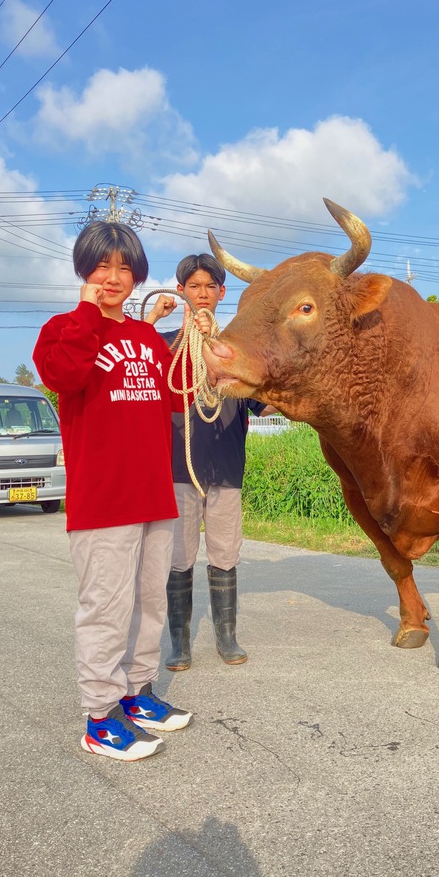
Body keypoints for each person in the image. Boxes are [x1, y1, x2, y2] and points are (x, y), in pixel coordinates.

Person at [33, 221, 204, 762]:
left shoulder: (145, 338)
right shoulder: (62, 328)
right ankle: (100, 718)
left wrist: (197, 339)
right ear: (84, 269)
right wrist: (88, 314)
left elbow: (176, 401)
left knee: (149, 604)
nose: (113, 277)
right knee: (106, 608)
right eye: (102, 266)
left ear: (138, 275)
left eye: (124, 268)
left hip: (154, 493)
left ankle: (136, 693)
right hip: (102, 499)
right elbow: (63, 375)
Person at [147, 253, 274, 670]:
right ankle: (179, 644)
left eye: (210, 286)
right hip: (177, 470)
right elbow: (130, 373)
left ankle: (227, 638)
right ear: (180, 290)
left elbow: (262, 404)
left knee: (225, 554)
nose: (202, 293)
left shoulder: (235, 350)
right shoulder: (160, 346)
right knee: (178, 558)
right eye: (194, 285)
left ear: (222, 293)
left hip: (224, 469)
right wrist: (150, 322)